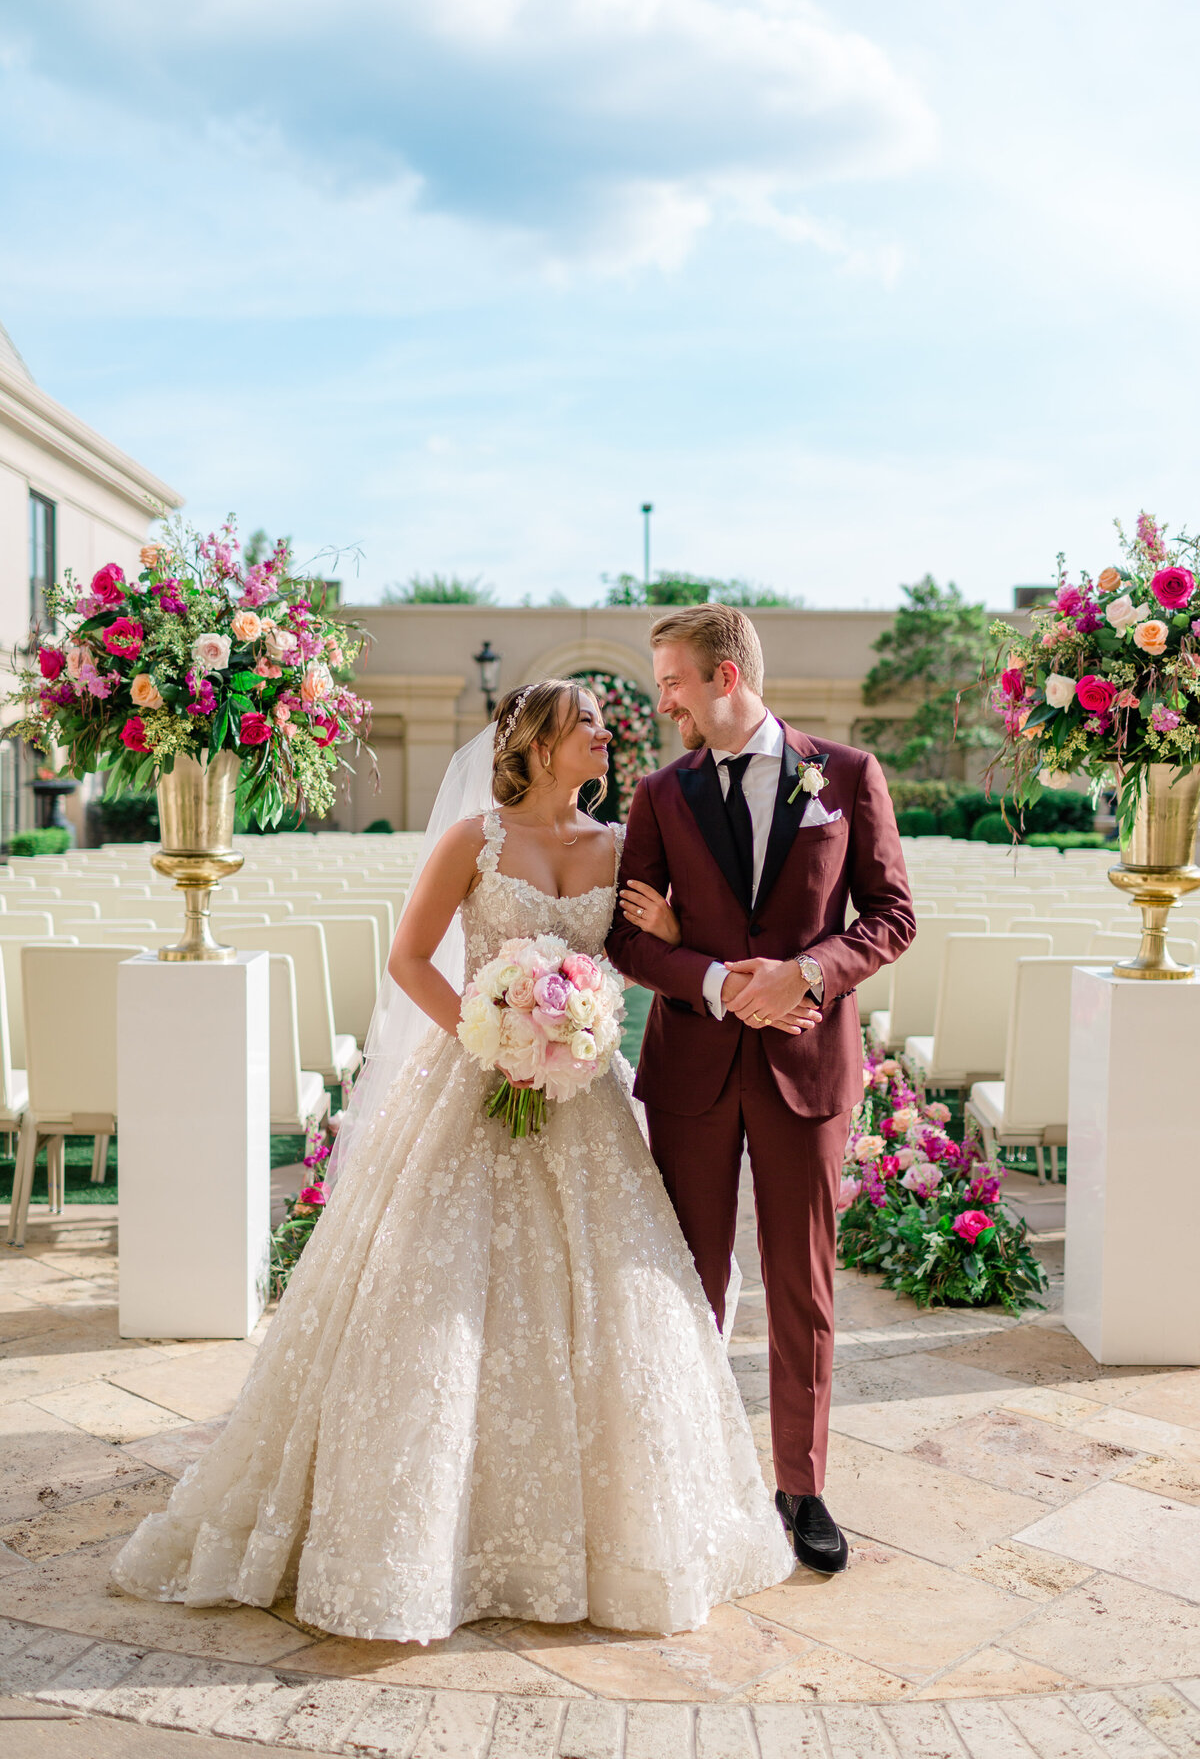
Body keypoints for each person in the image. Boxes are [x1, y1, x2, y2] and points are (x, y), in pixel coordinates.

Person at [110, 678, 794, 1643]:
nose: (606, 735)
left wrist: (664, 943)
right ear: (543, 743)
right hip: (475, 1077)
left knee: (606, 1309)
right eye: (588, 725)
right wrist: (491, 1034)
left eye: (605, 724)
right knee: (435, 1302)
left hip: (583, 1096)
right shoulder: (474, 840)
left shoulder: (616, 845)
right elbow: (410, 958)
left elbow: (640, 953)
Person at [608, 605, 915, 1574]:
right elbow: (625, 937)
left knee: (803, 1286)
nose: (661, 700)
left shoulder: (849, 776)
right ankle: (689, 1474)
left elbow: (893, 914)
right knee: (687, 1284)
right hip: (693, 1070)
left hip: (807, 1068)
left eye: (672, 680)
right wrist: (714, 980)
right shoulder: (659, 793)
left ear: (726, 676)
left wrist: (810, 975)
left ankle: (803, 1482)